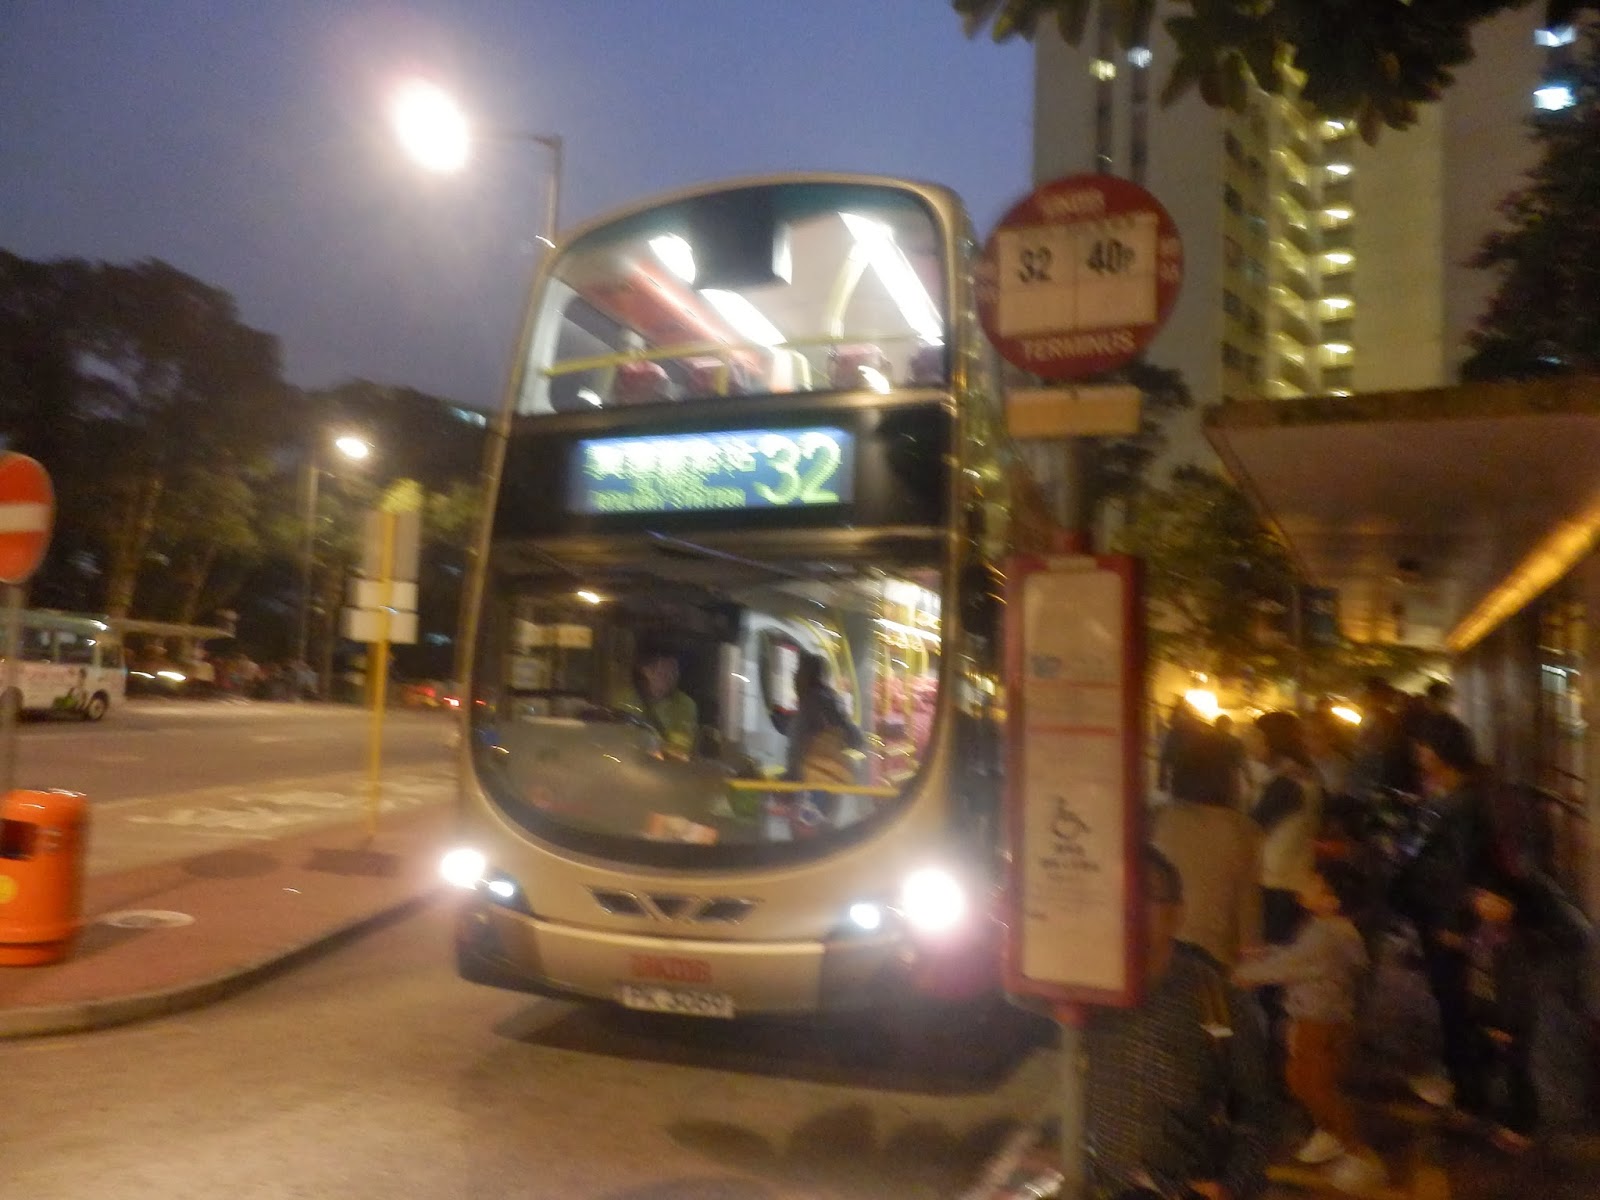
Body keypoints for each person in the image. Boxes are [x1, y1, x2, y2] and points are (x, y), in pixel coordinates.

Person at [1085, 846, 1274, 1200]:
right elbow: (1023, 1001)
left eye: (1146, 896)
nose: (1129, 910)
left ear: (1177, 913)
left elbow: (1259, 1110)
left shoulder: (1217, 1002)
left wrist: (1229, 1186)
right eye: (1119, 898)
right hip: (1104, 1186)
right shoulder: (1089, 990)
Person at [1234, 863, 1386, 1193]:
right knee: (1300, 1078)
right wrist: (1265, 951)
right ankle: (1327, 1132)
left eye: (1315, 884)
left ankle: (1357, 1151)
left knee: (1318, 1086)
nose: (1305, 886)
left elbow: (1293, 965)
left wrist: (1242, 974)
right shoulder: (1329, 928)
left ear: (1332, 901)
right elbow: (1299, 956)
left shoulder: (1327, 935)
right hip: (1319, 1018)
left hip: (1321, 1022)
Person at [1391, 712, 1494, 1114]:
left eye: (1424, 747)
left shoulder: (1463, 803)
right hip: (1433, 910)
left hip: (1444, 915)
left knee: (1454, 1000)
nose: (1418, 753)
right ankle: (1463, 1076)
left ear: (1441, 751)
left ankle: (1465, 1088)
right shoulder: (1448, 795)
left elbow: (1463, 867)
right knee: (1448, 996)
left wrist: (1454, 922)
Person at [1151, 728, 1264, 970]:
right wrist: (1250, 957)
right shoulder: (1242, 830)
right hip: (1212, 954)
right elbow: (1247, 905)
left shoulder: (1158, 817)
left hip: (1159, 945)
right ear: (1228, 779)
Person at [1463, 871, 1539, 1153]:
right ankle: (1488, 1112)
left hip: (1509, 1021)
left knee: (1516, 1071)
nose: (1479, 901)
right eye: (1478, 896)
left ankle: (1521, 1127)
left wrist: (1506, 1026)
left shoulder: (1511, 942)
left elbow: (1514, 989)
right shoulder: (1484, 933)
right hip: (1486, 1013)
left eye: (1487, 897)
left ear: (1507, 907)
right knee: (1488, 1065)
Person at [1246, 711, 1320, 948]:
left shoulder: (1287, 782)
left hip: (1277, 881)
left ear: (1272, 740)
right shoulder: (1305, 774)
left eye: (1256, 736)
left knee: (1273, 948)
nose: (1250, 742)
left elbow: (1252, 826)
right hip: (1293, 876)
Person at [616, 647, 698, 758]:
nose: (671, 676)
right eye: (664, 670)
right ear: (646, 671)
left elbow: (681, 747)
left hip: (667, 763)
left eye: (674, 670)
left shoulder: (685, 705)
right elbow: (618, 737)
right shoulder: (625, 699)